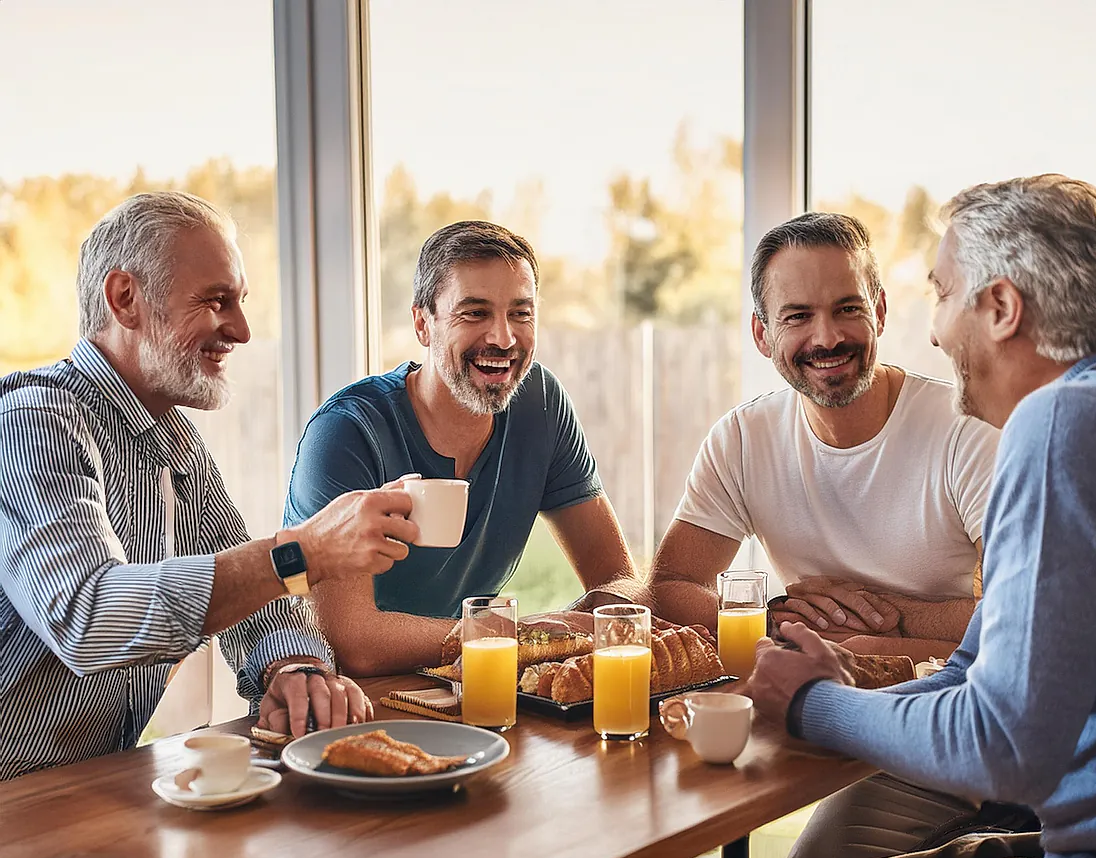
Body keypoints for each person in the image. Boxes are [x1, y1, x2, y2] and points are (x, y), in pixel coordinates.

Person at [751, 175, 1096, 858]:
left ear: (1001, 308)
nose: (936, 330)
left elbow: (1001, 744)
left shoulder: (1064, 426)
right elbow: (974, 671)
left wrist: (812, 704)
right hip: (1093, 856)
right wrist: (845, 692)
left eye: (941, 294)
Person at [0, 192, 417, 781]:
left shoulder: (172, 433)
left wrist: (293, 668)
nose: (242, 330)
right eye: (216, 301)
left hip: (91, 785)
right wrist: (307, 549)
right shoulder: (35, 417)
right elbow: (87, 617)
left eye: (240, 302)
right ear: (125, 300)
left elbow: (258, 613)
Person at [648, 212, 1008, 858]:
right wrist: (779, 622)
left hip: (948, 727)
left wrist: (889, 614)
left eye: (846, 309)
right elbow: (670, 586)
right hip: (827, 714)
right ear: (761, 333)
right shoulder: (743, 439)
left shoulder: (966, 433)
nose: (826, 337)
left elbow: (1016, 623)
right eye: (796, 316)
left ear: (877, 310)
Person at [284, 220, 638, 677]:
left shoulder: (540, 404)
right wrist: (521, 634)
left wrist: (592, 616)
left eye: (521, 313)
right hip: (333, 698)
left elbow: (619, 580)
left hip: (460, 684)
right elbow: (353, 642)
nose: (503, 338)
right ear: (422, 324)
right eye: (475, 313)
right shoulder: (347, 432)